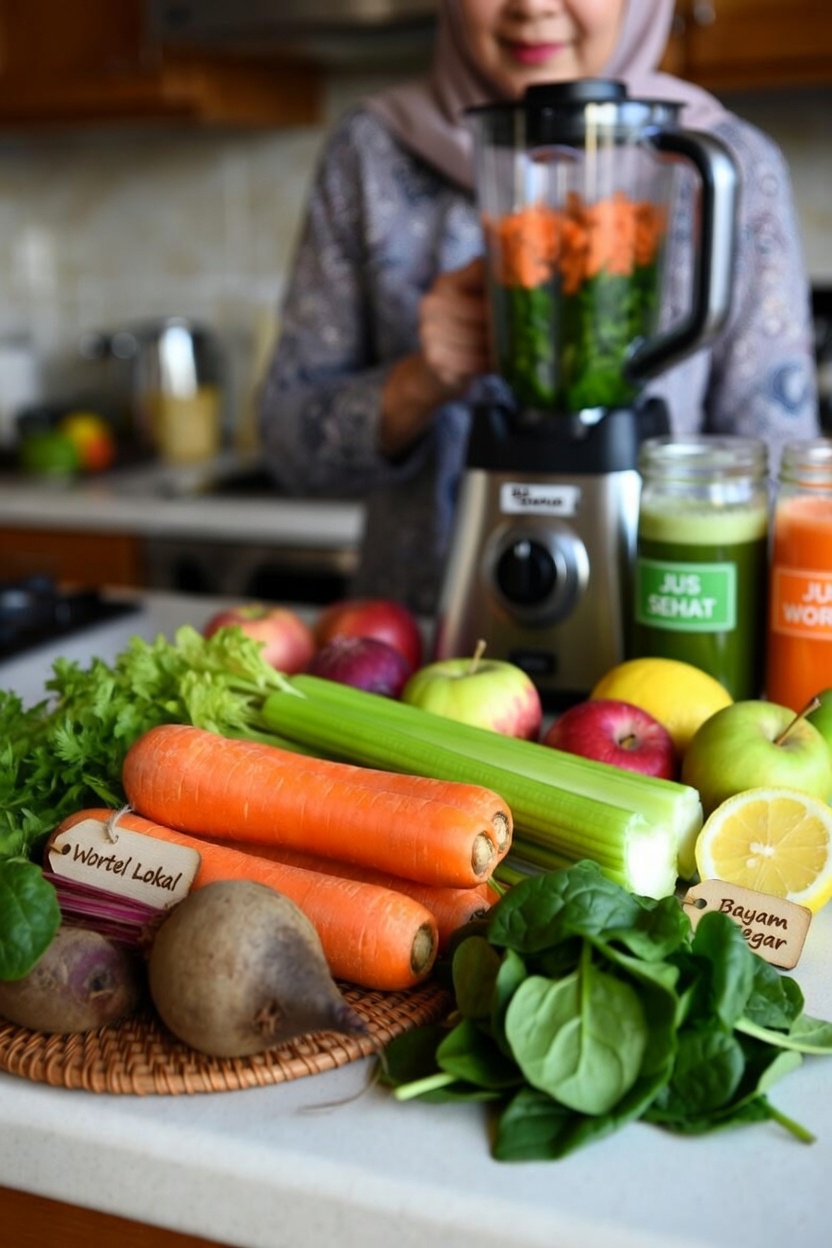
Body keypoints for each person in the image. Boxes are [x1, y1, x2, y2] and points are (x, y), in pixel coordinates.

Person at [258, 0, 819, 616]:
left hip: (661, 651)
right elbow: (288, 451)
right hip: (414, 645)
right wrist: (418, 383)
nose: (532, 6)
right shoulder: (370, 154)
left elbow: (781, 476)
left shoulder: (729, 165)